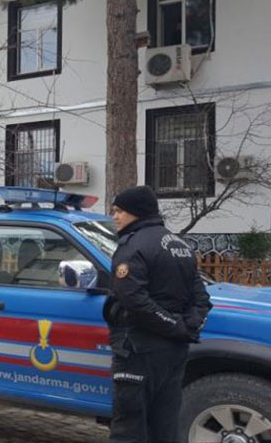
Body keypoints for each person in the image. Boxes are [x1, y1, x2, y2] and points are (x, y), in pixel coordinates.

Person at [105, 186, 212, 443]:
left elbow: (134, 300)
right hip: (174, 350)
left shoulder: (132, 246)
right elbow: (201, 299)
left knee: (128, 427)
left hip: (139, 348)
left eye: (119, 211)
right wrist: (186, 326)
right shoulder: (180, 245)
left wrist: (175, 326)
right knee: (165, 423)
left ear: (137, 212)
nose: (115, 217)